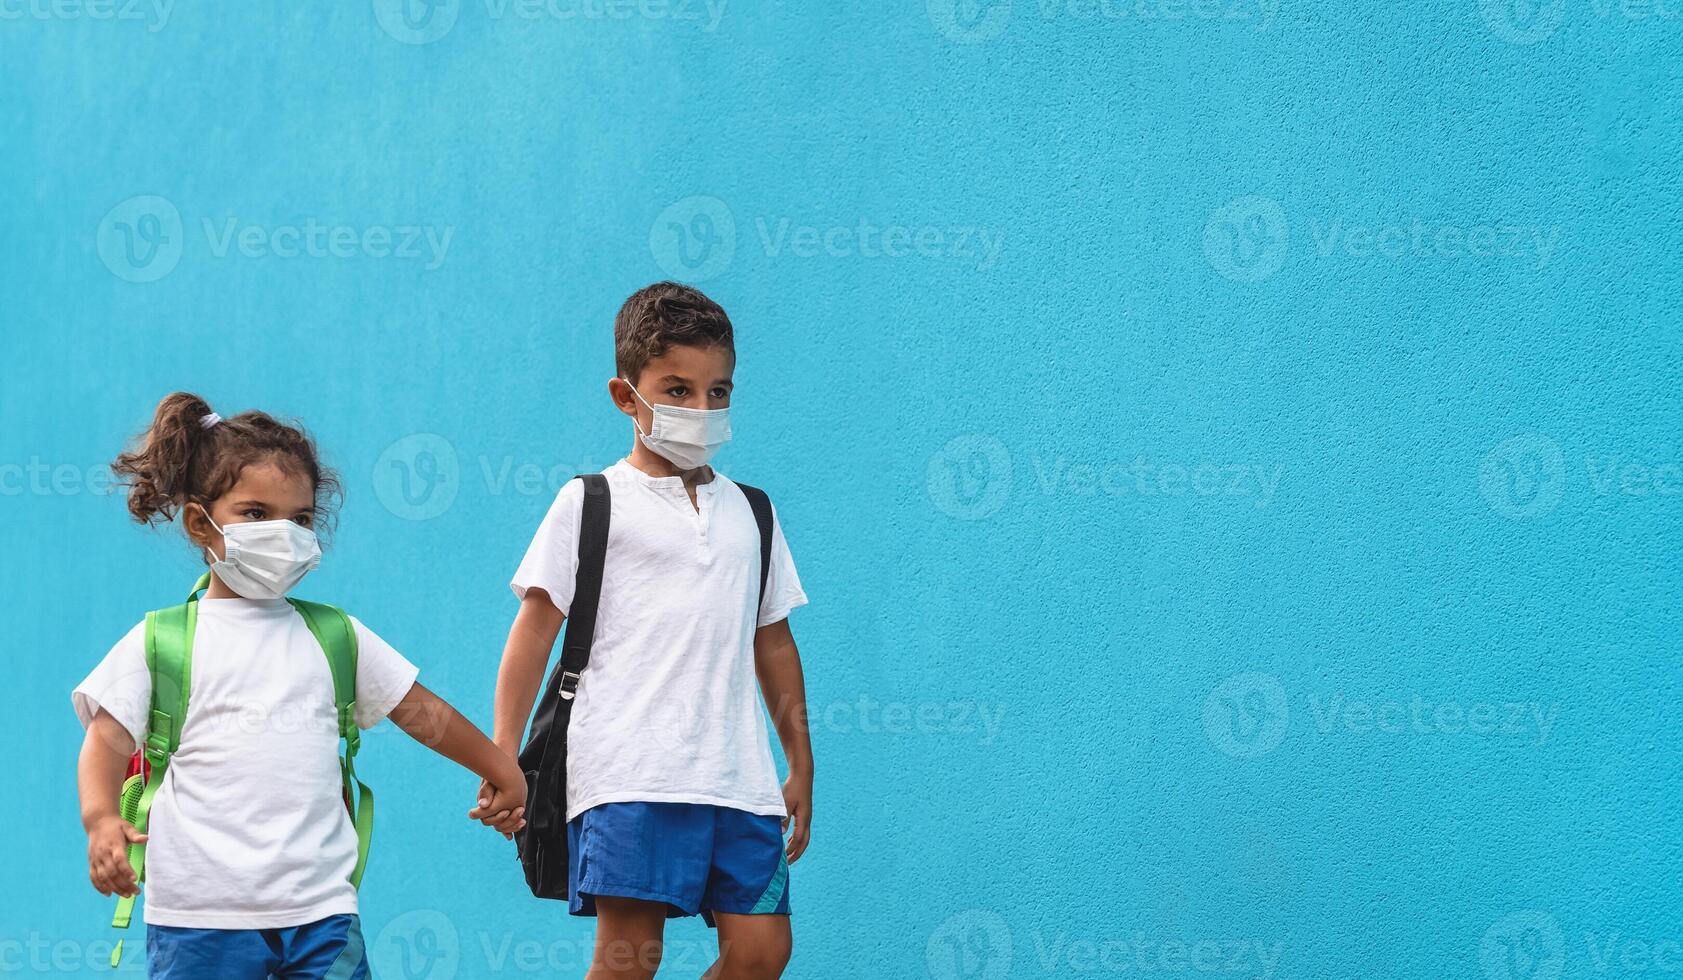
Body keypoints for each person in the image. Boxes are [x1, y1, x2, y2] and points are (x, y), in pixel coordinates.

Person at [74, 392, 528, 980]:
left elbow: (421, 712)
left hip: (322, 913)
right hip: (198, 917)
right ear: (198, 523)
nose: (282, 534)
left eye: (301, 519)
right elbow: (107, 739)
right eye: (256, 514)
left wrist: (499, 766)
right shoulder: (162, 641)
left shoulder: (335, 635)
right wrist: (101, 819)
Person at [491, 282, 814, 979]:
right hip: (629, 773)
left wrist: (799, 760)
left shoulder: (751, 513)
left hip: (739, 779)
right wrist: (501, 754)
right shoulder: (591, 502)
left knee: (761, 953)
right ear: (624, 395)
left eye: (717, 391)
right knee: (631, 960)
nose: (701, 410)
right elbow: (534, 632)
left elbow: (773, 641)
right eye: (676, 389)